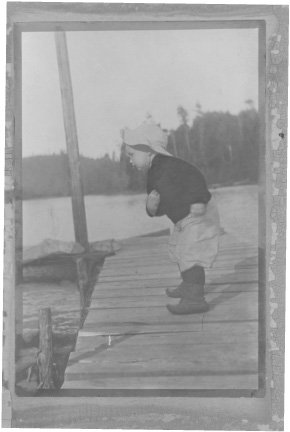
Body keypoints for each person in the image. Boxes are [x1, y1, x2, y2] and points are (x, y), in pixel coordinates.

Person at [124, 122, 220, 315]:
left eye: (131, 155)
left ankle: (196, 300)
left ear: (148, 150)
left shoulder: (173, 166)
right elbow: (160, 204)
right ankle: (188, 284)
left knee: (190, 256)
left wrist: (199, 200)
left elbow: (195, 177)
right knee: (179, 250)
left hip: (198, 213)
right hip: (183, 219)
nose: (130, 160)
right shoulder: (154, 173)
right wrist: (151, 207)